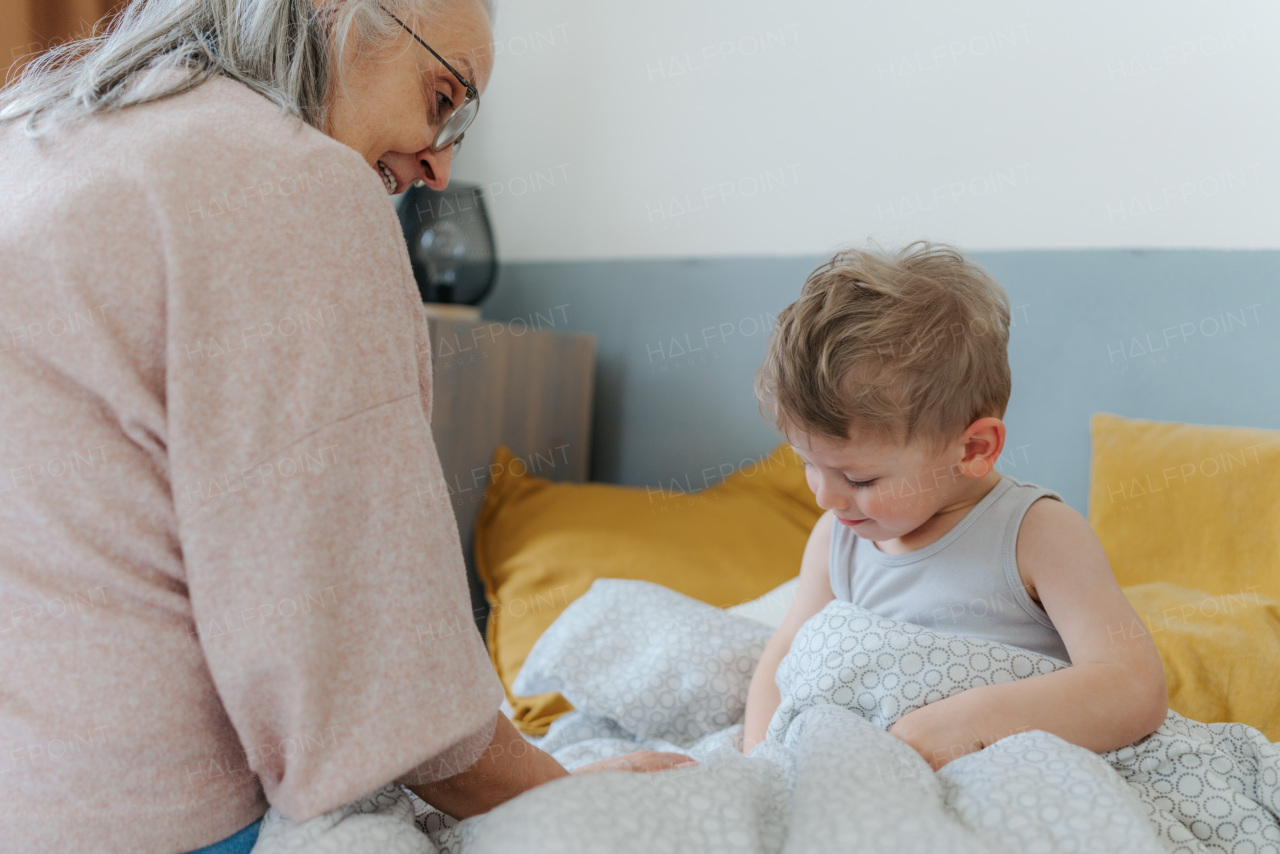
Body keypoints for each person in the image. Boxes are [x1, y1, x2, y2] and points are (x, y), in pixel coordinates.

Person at [0, 2, 687, 852]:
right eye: (443, 98)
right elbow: (366, 651)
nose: (437, 164)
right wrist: (565, 792)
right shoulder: (287, 177)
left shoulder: (36, 138)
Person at [742, 243, 1168, 767]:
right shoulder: (837, 540)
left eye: (859, 477)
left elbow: (1132, 687)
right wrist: (758, 764)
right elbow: (785, 659)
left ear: (973, 449)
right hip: (859, 769)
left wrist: (959, 725)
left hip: (994, 767)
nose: (825, 497)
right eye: (807, 464)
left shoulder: (1036, 534)